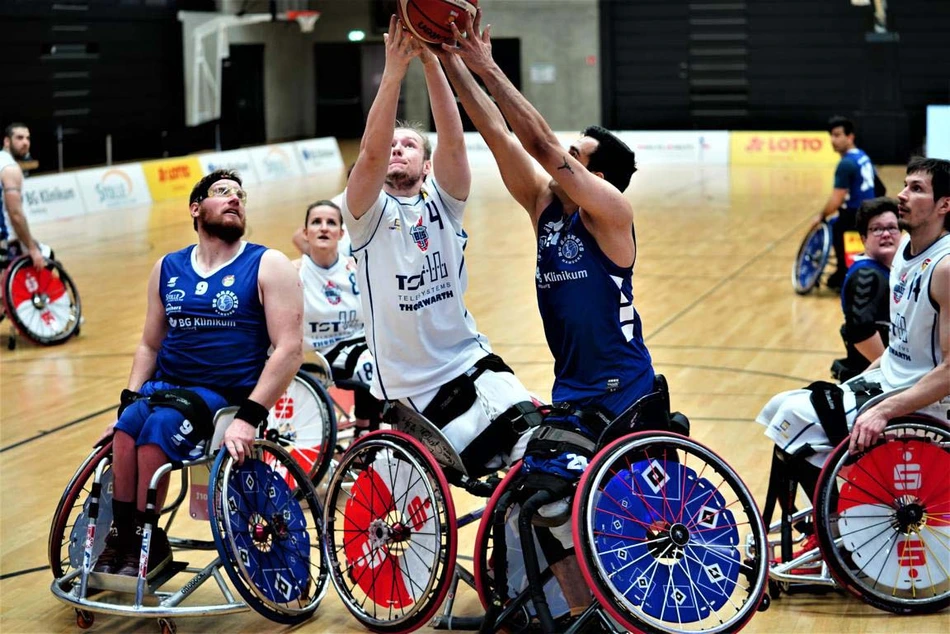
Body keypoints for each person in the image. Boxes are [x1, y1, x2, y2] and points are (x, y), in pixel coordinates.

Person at [437, 10, 655, 623]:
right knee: (531, 491)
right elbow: (501, 138)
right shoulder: (543, 206)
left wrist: (486, 64)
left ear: (597, 173)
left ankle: (585, 613)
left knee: (548, 492)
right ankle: (566, 606)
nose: (560, 156)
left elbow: (535, 141)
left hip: (621, 392)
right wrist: (448, 58)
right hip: (573, 392)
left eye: (576, 154)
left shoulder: (610, 211)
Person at [341, 15, 539, 480]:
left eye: (409, 144)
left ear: (427, 166)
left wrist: (432, 60)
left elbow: (453, 139)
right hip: (415, 387)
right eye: (392, 143)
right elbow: (369, 154)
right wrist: (393, 72)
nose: (396, 148)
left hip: (472, 359)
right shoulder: (365, 216)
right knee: (485, 464)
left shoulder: (445, 205)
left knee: (542, 451)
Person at [93, 169, 303, 577]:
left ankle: (147, 540)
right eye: (223, 192)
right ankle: (125, 535)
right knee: (126, 431)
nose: (235, 199)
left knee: (158, 431)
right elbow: (150, 345)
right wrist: (126, 402)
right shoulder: (167, 267)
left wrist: (248, 419)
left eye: (241, 195)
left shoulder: (268, 263)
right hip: (165, 387)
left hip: (220, 396)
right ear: (195, 208)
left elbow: (289, 350)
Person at [758, 157, 950, 556]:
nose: (902, 193)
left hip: (925, 404)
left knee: (797, 425)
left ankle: (833, 539)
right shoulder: (904, 252)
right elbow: (899, 345)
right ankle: (826, 528)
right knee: (783, 408)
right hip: (887, 381)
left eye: (917, 188)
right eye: (905, 185)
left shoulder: (945, 268)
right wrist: (858, 383)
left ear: (944, 205)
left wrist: (882, 411)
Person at [293, 199, 381, 437]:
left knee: (395, 358)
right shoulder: (293, 273)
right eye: (316, 222)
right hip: (321, 354)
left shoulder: (355, 268)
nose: (323, 228)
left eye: (331, 223)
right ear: (305, 233)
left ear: (341, 233)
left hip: (361, 345)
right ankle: (368, 432)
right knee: (372, 366)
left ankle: (371, 428)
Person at [830, 197, 900, 381]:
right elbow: (859, 330)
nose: (886, 234)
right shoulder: (867, 275)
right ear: (863, 239)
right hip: (871, 381)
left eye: (892, 227)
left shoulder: (882, 270)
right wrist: (889, 370)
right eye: (877, 229)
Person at [811, 116, 882, 290]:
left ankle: (842, 272)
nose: (833, 140)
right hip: (869, 211)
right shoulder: (862, 156)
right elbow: (880, 187)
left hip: (855, 215)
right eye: (831, 136)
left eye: (837, 135)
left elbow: (836, 200)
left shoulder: (846, 164)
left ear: (850, 137)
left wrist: (820, 215)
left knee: (835, 225)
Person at [1, 123, 45, 270]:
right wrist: (32, 247)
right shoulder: (10, 168)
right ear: (7, 141)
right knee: (46, 255)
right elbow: (16, 214)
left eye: (28, 138)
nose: (25, 142)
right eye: (19, 138)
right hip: (7, 240)